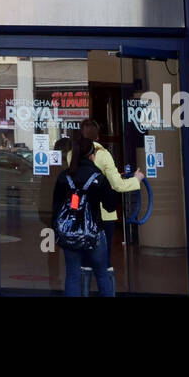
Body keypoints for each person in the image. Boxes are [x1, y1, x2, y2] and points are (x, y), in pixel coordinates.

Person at [53, 135, 144, 296]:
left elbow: (56, 207)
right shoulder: (98, 178)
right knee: (102, 273)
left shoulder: (64, 177)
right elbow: (109, 207)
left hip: (70, 233)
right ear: (92, 156)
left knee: (72, 276)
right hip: (94, 233)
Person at [77, 117, 143, 264]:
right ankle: (105, 284)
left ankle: (85, 283)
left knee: (83, 257)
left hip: (81, 212)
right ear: (97, 136)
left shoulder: (72, 154)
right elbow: (118, 185)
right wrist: (136, 179)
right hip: (103, 214)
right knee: (103, 258)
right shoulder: (103, 154)